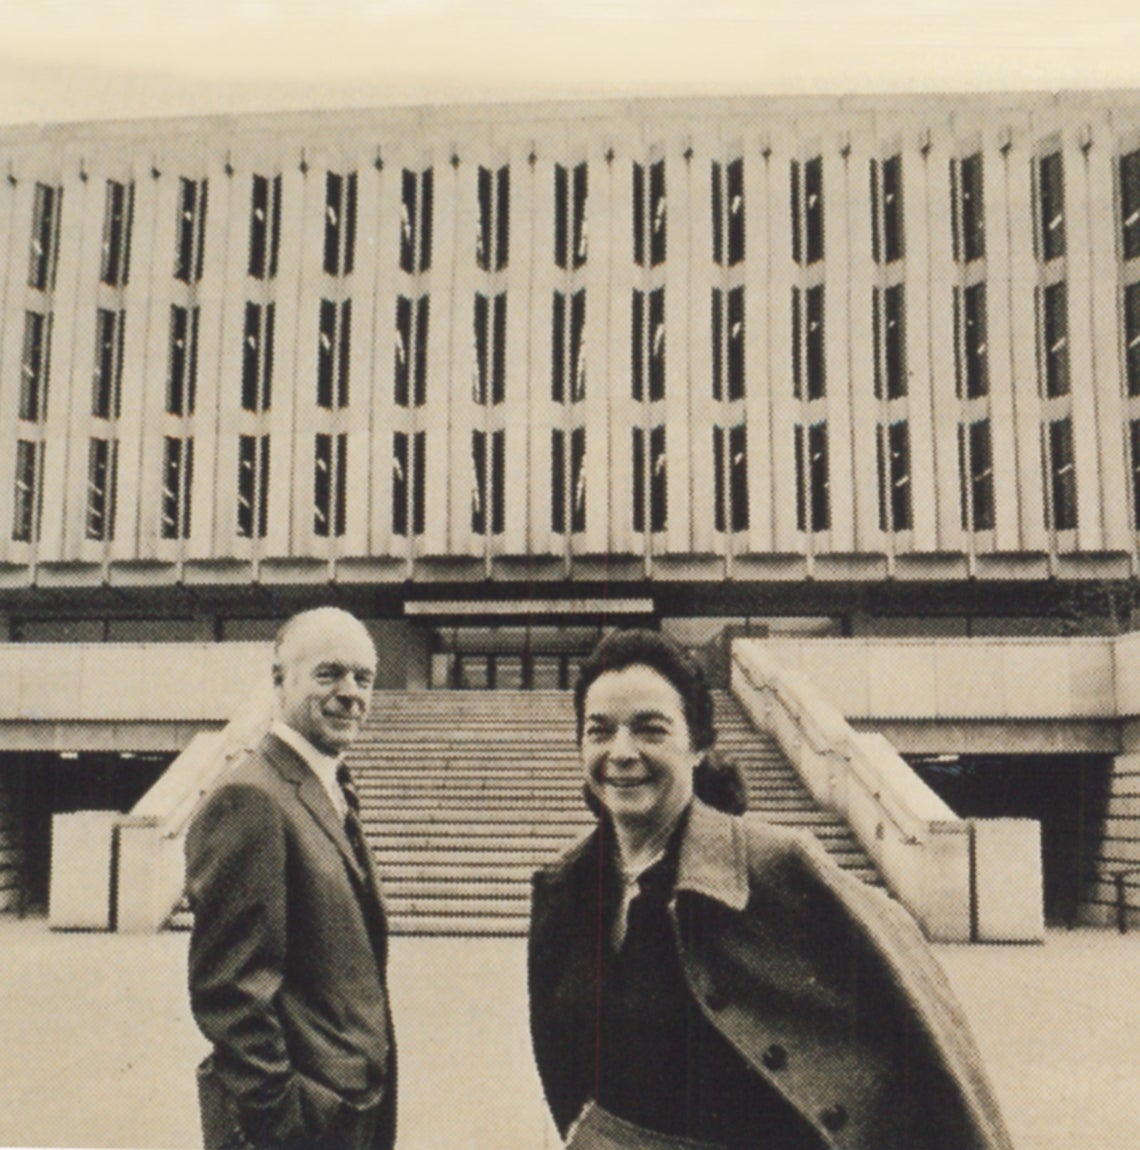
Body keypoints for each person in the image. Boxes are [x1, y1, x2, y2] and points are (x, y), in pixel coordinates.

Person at [528, 628, 1013, 1150]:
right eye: (599, 731)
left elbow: (926, 1031)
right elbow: (563, 1063)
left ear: (699, 746)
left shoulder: (782, 865)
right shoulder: (562, 887)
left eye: (650, 730)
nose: (621, 752)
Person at [185, 607, 396, 1150]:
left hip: (352, 1114)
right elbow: (231, 995)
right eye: (329, 674)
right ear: (279, 681)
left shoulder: (330, 787)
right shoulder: (251, 797)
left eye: (364, 678)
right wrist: (286, 1126)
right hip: (304, 1128)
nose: (351, 693)